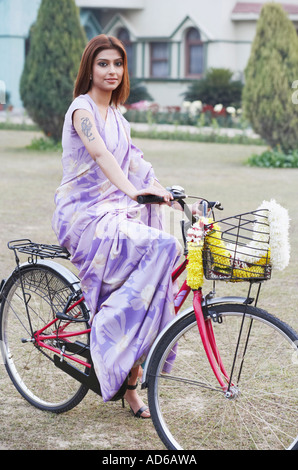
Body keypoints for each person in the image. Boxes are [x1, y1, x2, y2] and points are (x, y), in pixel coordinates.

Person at [52, 34, 195, 419]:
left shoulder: (118, 115)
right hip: (84, 214)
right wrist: (134, 194)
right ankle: (107, 331)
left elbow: (133, 161)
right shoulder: (82, 110)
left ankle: (131, 383)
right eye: (103, 64)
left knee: (154, 280)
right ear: (90, 68)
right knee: (163, 249)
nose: (111, 71)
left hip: (117, 209)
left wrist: (164, 193)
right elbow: (100, 156)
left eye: (117, 64)